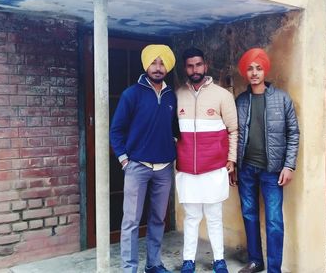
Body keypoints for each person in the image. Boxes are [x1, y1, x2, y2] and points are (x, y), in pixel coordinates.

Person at [110, 44, 178, 273]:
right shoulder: (132, 94)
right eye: (153, 62)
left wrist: (171, 147)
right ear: (146, 65)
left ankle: (154, 264)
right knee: (131, 221)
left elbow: (175, 129)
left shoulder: (171, 96)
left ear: (167, 67)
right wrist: (124, 160)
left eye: (162, 63)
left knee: (158, 219)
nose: (158, 68)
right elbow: (116, 130)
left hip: (164, 168)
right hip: (137, 166)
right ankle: (129, 268)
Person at [235, 48, 300, 273]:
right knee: (249, 214)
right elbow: (233, 134)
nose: (254, 73)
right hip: (246, 169)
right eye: (250, 69)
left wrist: (289, 165)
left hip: (272, 171)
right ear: (245, 72)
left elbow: (293, 133)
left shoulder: (282, 99)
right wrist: (233, 164)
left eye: (258, 68)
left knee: (274, 222)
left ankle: (274, 269)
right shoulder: (241, 101)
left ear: (265, 70)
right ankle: (255, 260)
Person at [175, 47, 238, 273]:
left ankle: (219, 260)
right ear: (185, 68)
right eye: (190, 66)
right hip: (187, 169)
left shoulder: (222, 95)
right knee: (191, 217)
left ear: (205, 65)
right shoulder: (178, 94)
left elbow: (233, 130)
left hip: (214, 167)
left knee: (214, 216)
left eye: (198, 65)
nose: (195, 70)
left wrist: (232, 159)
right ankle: (188, 260)